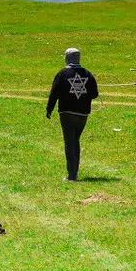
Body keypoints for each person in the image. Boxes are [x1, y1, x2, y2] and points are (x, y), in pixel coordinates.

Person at [46, 48, 99, 181]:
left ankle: (72, 175)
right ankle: (74, 171)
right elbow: (95, 94)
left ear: (67, 58)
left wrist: (49, 109)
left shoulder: (62, 74)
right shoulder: (88, 74)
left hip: (66, 113)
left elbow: (54, 93)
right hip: (82, 114)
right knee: (75, 141)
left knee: (69, 142)